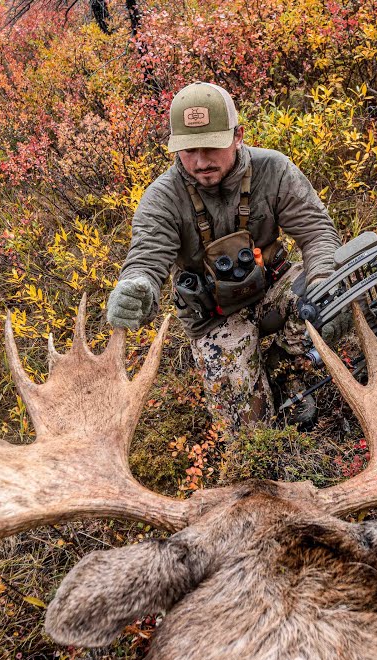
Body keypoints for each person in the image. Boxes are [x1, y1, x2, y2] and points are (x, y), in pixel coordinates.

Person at [106, 82, 344, 436]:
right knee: (249, 434)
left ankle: (286, 368)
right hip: (214, 318)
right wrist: (137, 285)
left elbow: (316, 232)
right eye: (189, 150)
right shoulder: (162, 198)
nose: (201, 162)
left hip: (273, 287)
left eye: (212, 146)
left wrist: (324, 279)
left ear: (238, 136)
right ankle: (255, 379)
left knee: (337, 296)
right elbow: (146, 255)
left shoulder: (274, 170)